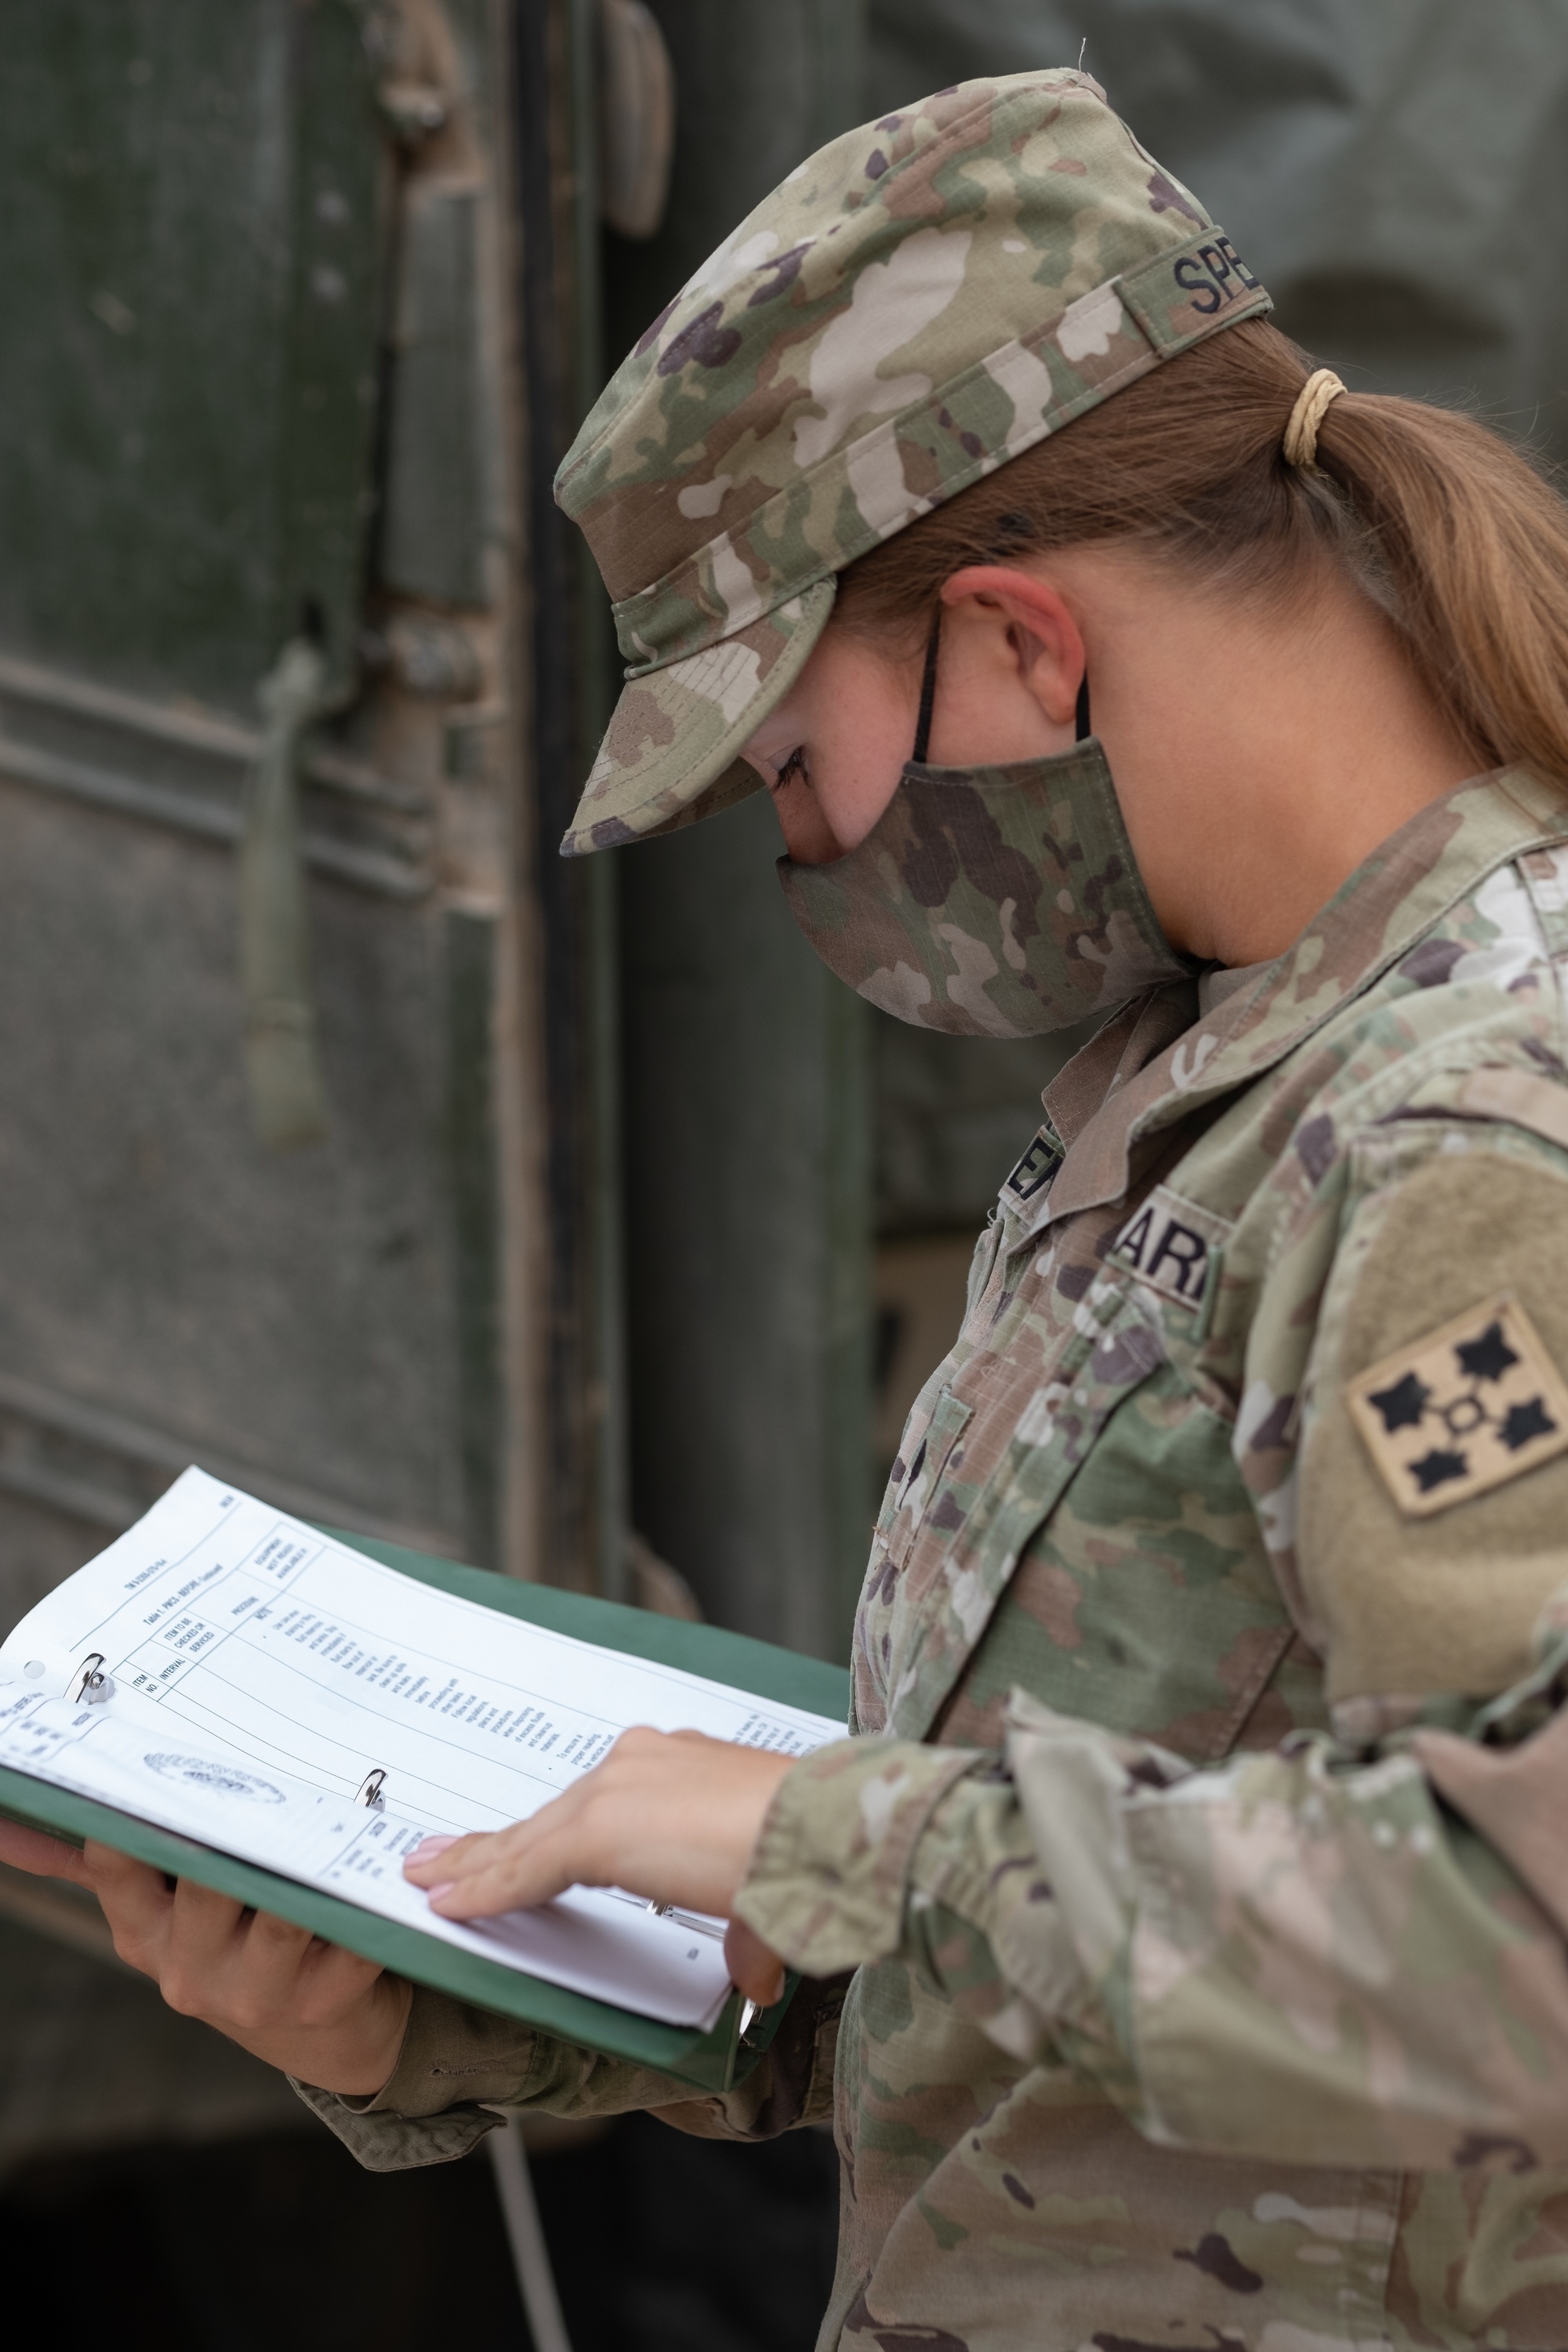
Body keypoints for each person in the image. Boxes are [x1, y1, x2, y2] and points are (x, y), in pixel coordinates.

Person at [9, 65, 1568, 2347]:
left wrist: (829, 1835)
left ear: (1026, 644)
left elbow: (1518, 1947)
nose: (812, 864)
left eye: (796, 773)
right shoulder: (1199, 1051)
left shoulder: (1471, 1130)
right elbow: (1084, 1938)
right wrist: (440, 2013)